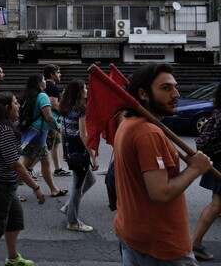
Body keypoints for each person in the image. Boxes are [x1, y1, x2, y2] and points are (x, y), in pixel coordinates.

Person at [114, 63, 212, 265]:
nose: (175, 94)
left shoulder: (128, 124)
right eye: (166, 88)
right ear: (143, 94)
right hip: (161, 246)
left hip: (133, 236)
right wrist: (195, 169)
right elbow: (160, 193)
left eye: (175, 87)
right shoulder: (148, 132)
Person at [0, 91, 45, 266]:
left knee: (15, 220)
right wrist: (36, 187)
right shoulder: (5, 130)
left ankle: (13, 258)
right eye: (16, 103)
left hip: (0, 183)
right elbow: (14, 163)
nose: (19, 106)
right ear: (7, 108)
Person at [58, 80, 98, 233]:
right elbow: (83, 135)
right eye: (84, 88)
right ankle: (73, 221)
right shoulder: (81, 109)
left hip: (70, 146)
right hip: (80, 148)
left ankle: (68, 206)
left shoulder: (65, 107)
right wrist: (93, 156)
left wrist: (64, 151)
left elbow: (63, 130)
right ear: (79, 91)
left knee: (90, 179)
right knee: (78, 184)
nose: (87, 90)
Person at [19, 74, 67, 197]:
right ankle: (10, 190)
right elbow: (49, 116)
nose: (45, 81)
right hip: (38, 134)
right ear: (40, 83)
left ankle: (54, 189)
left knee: (45, 162)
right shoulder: (43, 96)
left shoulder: (29, 95)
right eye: (43, 79)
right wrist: (57, 127)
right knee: (24, 167)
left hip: (32, 131)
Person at [192, 83, 221, 261]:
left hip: (217, 161)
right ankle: (194, 244)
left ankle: (194, 244)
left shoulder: (217, 111)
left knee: (216, 204)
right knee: (216, 205)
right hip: (220, 162)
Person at [42, 64, 70, 176]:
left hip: (52, 120)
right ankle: (28, 169)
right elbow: (53, 105)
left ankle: (58, 168)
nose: (60, 74)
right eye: (58, 72)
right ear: (52, 74)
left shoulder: (48, 86)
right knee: (46, 147)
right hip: (51, 120)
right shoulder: (51, 87)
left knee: (55, 144)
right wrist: (64, 110)